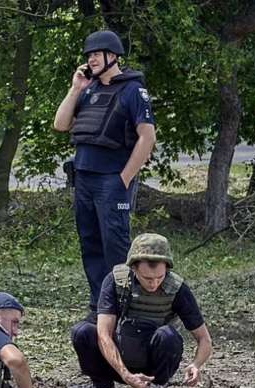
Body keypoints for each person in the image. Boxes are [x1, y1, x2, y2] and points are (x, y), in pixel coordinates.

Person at [53, 30, 157, 319]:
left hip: (111, 179)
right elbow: (61, 124)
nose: (92, 58)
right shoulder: (88, 89)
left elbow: (147, 137)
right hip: (84, 178)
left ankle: (124, 305)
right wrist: (75, 89)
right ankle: (99, 305)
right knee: (90, 243)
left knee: (115, 247)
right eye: (89, 55)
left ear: (114, 56)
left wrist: (124, 178)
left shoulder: (132, 90)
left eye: (97, 53)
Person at [70, 233, 212, 388]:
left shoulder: (177, 289)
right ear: (134, 268)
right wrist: (125, 375)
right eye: (147, 278)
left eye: (159, 277)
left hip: (152, 361)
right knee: (82, 331)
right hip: (117, 358)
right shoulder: (116, 281)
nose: (154, 284)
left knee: (169, 335)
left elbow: (204, 339)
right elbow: (103, 335)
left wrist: (196, 365)